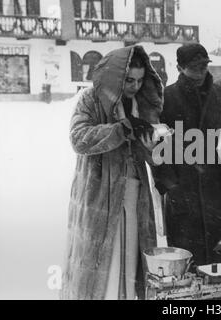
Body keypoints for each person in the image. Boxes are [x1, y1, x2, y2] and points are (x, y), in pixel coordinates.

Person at [61, 45, 163, 300]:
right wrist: (121, 129)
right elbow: (79, 138)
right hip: (99, 197)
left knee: (130, 263)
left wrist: (152, 149)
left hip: (133, 196)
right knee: (101, 267)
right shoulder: (90, 99)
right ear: (116, 76)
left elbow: (147, 155)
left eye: (140, 81)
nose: (135, 87)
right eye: (129, 80)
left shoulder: (139, 104)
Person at [156, 43, 221, 269]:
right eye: (194, 67)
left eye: (204, 65)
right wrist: (169, 184)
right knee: (187, 260)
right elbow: (159, 143)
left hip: (218, 187)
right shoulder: (167, 97)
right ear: (180, 67)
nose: (201, 71)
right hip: (184, 188)